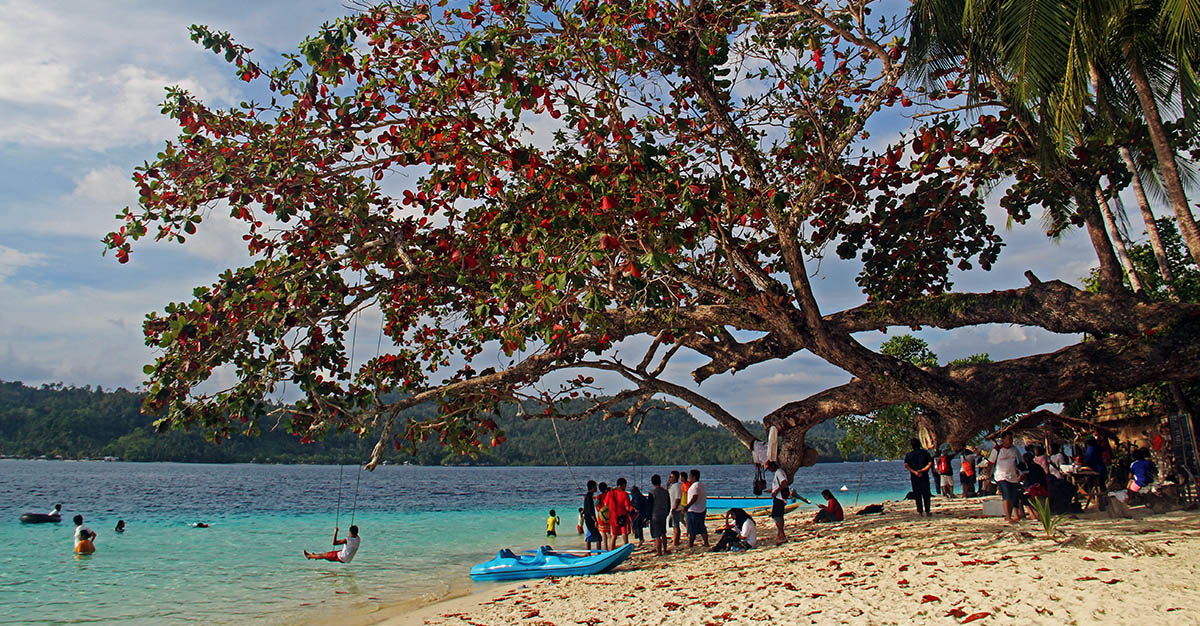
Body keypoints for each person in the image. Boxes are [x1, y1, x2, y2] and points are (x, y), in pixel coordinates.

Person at [990, 433, 1024, 524]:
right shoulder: (997, 450)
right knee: (1007, 494)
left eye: (1011, 439)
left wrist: (1021, 473)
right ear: (1003, 440)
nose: (1010, 441)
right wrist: (988, 475)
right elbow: (990, 462)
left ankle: (1009, 514)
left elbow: (1020, 462)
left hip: (1012, 476)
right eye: (1008, 439)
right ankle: (1008, 516)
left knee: (1012, 496)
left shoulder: (1014, 450)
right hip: (1001, 476)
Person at [903, 438, 933, 517]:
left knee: (917, 494)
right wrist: (922, 470)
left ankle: (920, 511)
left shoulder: (909, 455)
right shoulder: (925, 453)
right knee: (926, 494)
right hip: (924, 476)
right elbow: (930, 464)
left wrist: (915, 472)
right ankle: (927, 510)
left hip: (914, 477)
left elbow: (906, 465)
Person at [602, 478, 633, 550]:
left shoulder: (610, 493)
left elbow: (605, 504)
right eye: (625, 486)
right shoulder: (625, 494)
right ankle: (626, 550)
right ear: (623, 485)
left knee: (614, 536)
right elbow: (627, 507)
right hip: (622, 517)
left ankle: (611, 551)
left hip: (613, 517)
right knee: (624, 534)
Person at [648, 474, 671, 556]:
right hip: (663, 515)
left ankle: (659, 552)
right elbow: (669, 504)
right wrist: (667, 512)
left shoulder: (652, 493)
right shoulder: (665, 492)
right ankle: (665, 550)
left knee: (657, 535)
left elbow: (650, 506)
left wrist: (648, 517)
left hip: (655, 515)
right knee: (663, 533)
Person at [685, 469, 709, 548]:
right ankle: (706, 543)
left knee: (692, 529)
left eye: (690, 476)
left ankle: (690, 544)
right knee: (701, 527)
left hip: (694, 510)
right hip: (701, 509)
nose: (689, 478)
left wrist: (687, 506)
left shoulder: (695, 486)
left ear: (694, 477)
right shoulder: (700, 485)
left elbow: (694, 497)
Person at [767, 460, 789, 543]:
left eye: (769, 468)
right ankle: (780, 534)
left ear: (772, 466)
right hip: (779, 497)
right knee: (778, 516)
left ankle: (781, 534)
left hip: (779, 498)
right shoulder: (779, 472)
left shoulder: (778, 472)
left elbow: (784, 483)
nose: (769, 470)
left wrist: (776, 491)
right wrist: (773, 490)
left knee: (776, 516)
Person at [667, 470, 684, 547]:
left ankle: (676, 541)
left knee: (676, 525)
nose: (669, 478)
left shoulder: (677, 486)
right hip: (674, 508)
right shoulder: (673, 486)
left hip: (676, 509)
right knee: (674, 526)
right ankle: (675, 540)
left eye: (671, 477)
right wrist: (667, 486)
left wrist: (674, 508)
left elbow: (678, 498)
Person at [583, 480, 601, 551]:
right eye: (595, 486)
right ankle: (598, 553)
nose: (596, 488)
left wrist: (583, 512)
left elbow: (586, 507)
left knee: (589, 537)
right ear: (592, 487)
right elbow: (591, 510)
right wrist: (595, 520)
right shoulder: (589, 497)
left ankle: (588, 552)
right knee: (598, 538)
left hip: (587, 519)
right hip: (590, 520)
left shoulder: (587, 496)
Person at [595, 482, 611, 550]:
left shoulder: (599, 496)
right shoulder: (609, 495)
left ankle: (605, 547)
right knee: (610, 532)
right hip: (609, 515)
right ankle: (612, 546)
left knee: (603, 533)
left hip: (601, 517)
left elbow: (595, 504)